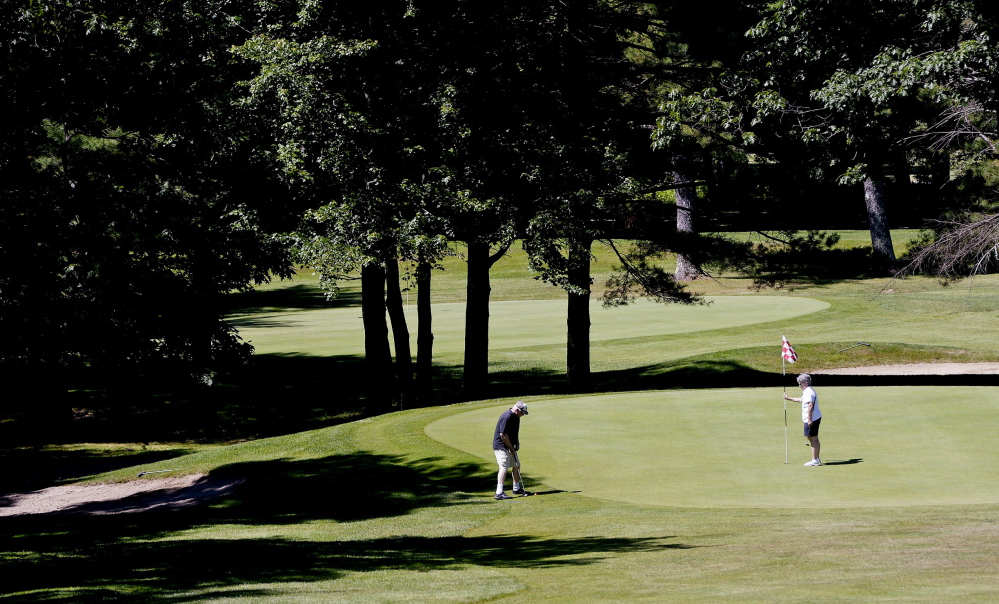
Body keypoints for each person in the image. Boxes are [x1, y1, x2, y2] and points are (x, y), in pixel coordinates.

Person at [492, 400, 532, 499]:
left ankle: (516, 488)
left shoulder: (516, 417)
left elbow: (515, 432)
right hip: (501, 446)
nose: (523, 415)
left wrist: (516, 443)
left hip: (510, 445)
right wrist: (510, 447)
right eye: (522, 412)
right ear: (517, 410)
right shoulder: (506, 417)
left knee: (516, 465)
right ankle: (499, 492)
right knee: (504, 468)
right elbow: (503, 435)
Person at [784, 373, 822, 466]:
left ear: (805, 383)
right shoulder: (808, 391)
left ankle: (815, 460)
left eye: (800, 383)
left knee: (813, 438)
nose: (799, 385)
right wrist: (788, 398)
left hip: (812, 418)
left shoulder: (808, 391)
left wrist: (809, 419)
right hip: (813, 417)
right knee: (811, 437)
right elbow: (802, 400)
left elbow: (810, 405)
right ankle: (816, 459)